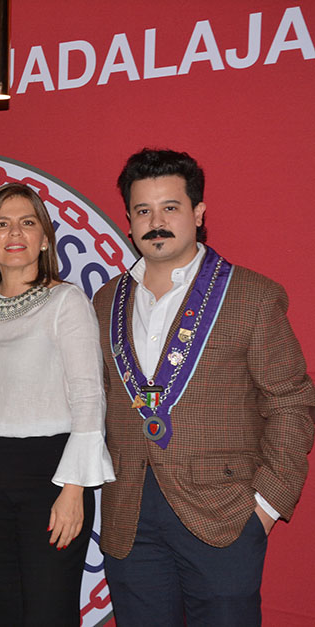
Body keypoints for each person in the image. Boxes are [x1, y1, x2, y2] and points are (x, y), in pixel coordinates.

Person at [92, 148, 315, 626]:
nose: (156, 221)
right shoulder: (106, 300)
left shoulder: (251, 295)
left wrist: (267, 506)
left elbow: (292, 402)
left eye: (170, 207)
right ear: (128, 221)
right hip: (129, 516)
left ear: (197, 213)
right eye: (143, 210)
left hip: (224, 514)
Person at [0, 182, 115, 626]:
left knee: (49, 611)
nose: (15, 233)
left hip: (49, 473)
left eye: (28, 222)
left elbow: (89, 397)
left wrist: (74, 489)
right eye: (2, 224)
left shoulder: (67, 302)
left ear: (45, 239)